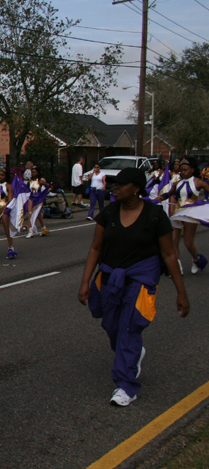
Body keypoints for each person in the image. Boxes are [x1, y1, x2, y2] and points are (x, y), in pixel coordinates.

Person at [78, 168, 189, 406]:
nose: (115, 188)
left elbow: (169, 254)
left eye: (121, 184)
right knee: (112, 327)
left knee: (129, 329)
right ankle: (134, 354)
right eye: (114, 184)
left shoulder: (155, 215)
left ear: (136, 188)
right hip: (110, 279)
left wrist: (181, 293)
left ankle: (126, 385)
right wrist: (85, 282)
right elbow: (96, 249)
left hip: (140, 281)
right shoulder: (108, 213)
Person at [155, 158, 209, 274]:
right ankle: (177, 266)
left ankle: (197, 259)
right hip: (177, 214)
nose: (183, 172)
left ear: (192, 170)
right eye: (182, 170)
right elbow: (168, 194)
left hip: (190, 214)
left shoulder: (198, 182)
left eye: (186, 170)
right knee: (174, 241)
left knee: (188, 242)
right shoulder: (178, 183)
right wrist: (156, 199)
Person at [26, 167, 50, 238]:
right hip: (31, 198)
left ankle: (44, 228)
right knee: (30, 214)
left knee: (39, 215)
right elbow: (26, 190)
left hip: (38, 199)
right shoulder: (29, 182)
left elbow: (49, 187)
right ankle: (30, 231)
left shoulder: (40, 181)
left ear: (38, 173)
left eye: (35, 172)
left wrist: (45, 186)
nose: (33, 173)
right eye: (32, 172)